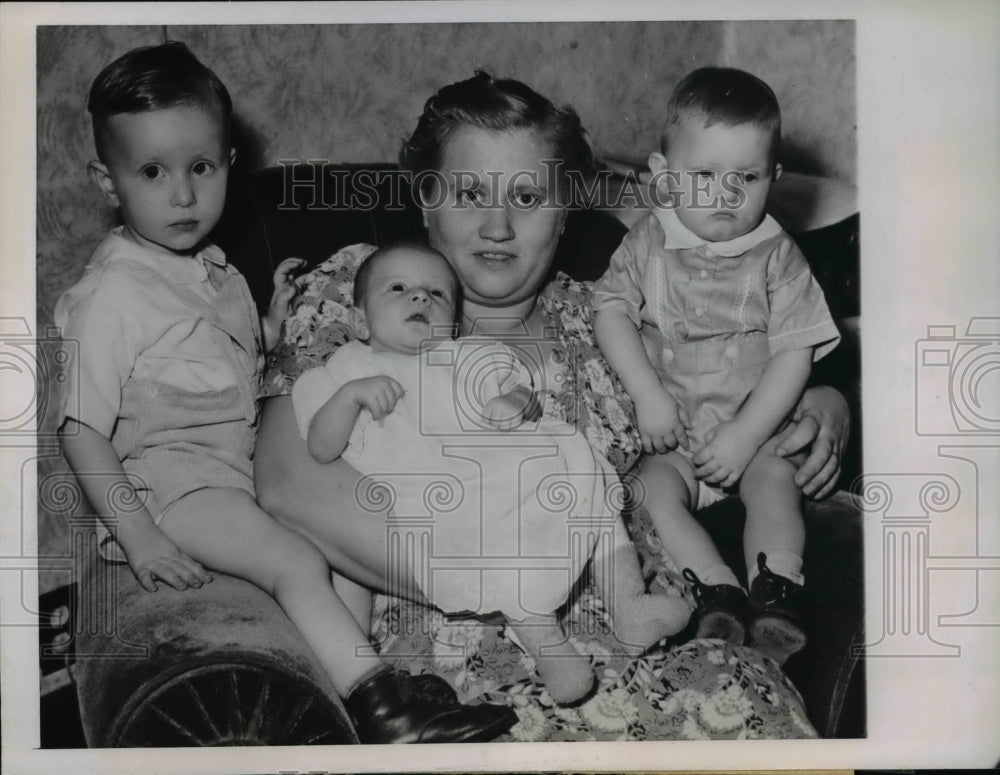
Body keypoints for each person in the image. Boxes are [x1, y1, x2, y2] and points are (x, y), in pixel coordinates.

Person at [256, 70, 851, 740]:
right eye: (469, 192)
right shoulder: (362, 286)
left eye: (529, 196)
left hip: (667, 650)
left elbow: (730, 371)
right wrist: (511, 580)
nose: (498, 225)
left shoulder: (607, 317)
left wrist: (825, 399)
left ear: (565, 207)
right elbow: (287, 482)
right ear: (426, 200)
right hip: (463, 684)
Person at [55, 42, 516, 745]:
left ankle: (357, 687)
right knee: (296, 561)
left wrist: (269, 320)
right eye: (151, 171)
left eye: (200, 168)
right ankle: (388, 713)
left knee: (334, 554)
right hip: (164, 486)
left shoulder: (215, 273)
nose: (182, 194)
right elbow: (79, 430)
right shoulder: (111, 291)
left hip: (229, 481)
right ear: (107, 180)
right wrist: (138, 535)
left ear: (228, 166)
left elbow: (227, 368)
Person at [290, 242, 692, 704]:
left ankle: (629, 603)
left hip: (509, 466)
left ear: (454, 322)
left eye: (437, 294)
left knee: (582, 463)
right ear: (360, 321)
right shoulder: (346, 371)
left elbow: (521, 393)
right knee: (494, 553)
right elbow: (321, 448)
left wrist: (514, 402)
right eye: (399, 288)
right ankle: (550, 649)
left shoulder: (467, 356)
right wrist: (349, 398)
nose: (420, 299)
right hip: (440, 495)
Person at [592, 67, 841, 662]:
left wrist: (747, 434)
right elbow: (609, 312)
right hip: (674, 439)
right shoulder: (645, 243)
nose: (726, 196)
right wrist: (648, 395)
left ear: (773, 178)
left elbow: (795, 352)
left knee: (776, 476)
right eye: (704, 176)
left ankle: (776, 590)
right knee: (647, 490)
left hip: (750, 432)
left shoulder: (778, 256)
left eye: (747, 177)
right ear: (664, 176)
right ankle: (715, 590)